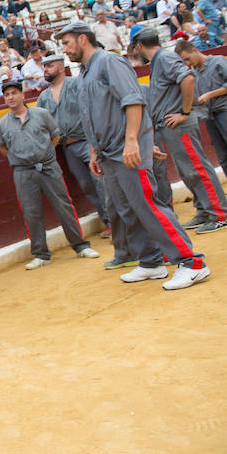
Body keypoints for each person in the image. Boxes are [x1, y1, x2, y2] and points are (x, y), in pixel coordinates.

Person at [56, 21, 211, 289]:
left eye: (67, 43)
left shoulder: (109, 62)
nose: (64, 49)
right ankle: (150, 262)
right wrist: (94, 150)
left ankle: (191, 263)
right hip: (108, 153)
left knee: (148, 206)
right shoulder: (83, 73)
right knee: (128, 210)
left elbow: (133, 101)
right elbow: (92, 116)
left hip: (126, 151)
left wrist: (133, 142)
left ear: (83, 39)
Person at [0, 80, 100, 269]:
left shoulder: (41, 114)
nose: (10, 97)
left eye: (13, 93)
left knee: (64, 206)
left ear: (22, 95)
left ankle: (81, 246)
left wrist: (45, 155)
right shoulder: (1, 124)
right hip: (23, 171)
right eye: (7, 95)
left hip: (48, 167)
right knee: (31, 212)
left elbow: (55, 136)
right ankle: (41, 254)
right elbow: (3, 148)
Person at [132, 28, 227, 234]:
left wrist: (184, 111)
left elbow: (188, 78)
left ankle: (219, 213)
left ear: (139, 46)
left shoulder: (164, 58)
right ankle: (204, 209)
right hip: (172, 124)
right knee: (187, 170)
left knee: (196, 167)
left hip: (179, 122)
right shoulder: (161, 58)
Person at [36, 55, 111, 236]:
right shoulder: (43, 96)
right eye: (44, 66)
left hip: (87, 141)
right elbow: (39, 122)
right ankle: (108, 221)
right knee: (87, 185)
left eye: (50, 66)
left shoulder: (77, 84)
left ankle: (116, 223)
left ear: (62, 68)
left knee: (101, 181)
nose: (45, 69)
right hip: (68, 147)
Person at [175, 40, 227, 173]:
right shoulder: (195, 73)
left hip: (224, 111)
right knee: (223, 157)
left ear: (194, 50)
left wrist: (210, 94)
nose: (188, 63)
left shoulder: (218, 61)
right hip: (210, 117)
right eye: (184, 62)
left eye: (188, 58)